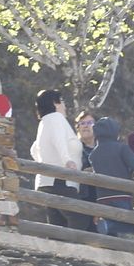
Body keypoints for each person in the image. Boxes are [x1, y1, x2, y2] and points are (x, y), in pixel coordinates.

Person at [31, 88, 85, 228]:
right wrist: (67, 160)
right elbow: (58, 140)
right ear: (55, 103)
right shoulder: (56, 118)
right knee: (80, 219)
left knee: (58, 225)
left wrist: (45, 162)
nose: (65, 106)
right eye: (62, 101)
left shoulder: (44, 122)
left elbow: (34, 149)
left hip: (47, 181)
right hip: (60, 180)